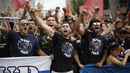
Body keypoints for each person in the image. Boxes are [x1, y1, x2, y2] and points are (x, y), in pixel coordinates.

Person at [28, 7, 83, 73]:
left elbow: (75, 53)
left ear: (70, 30)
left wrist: (79, 63)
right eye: (63, 26)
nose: (65, 27)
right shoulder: (57, 37)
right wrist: (35, 14)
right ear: (60, 29)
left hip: (69, 70)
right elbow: (43, 26)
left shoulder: (73, 41)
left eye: (67, 26)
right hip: (56, 71)